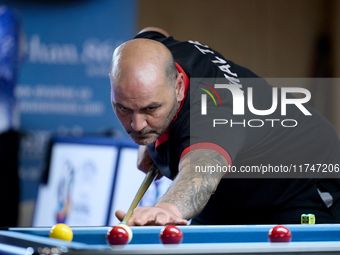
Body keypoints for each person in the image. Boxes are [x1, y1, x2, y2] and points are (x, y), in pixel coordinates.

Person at [109, 27, 340, 226]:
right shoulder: (158, 51)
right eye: (124, 109)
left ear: (178, 87)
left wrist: (167, 210)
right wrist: (152, 137)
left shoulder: (213, 114)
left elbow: (200, 174)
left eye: (151, 109)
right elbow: (151, 34)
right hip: (232, 191)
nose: (137, 125)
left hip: (302, 186)